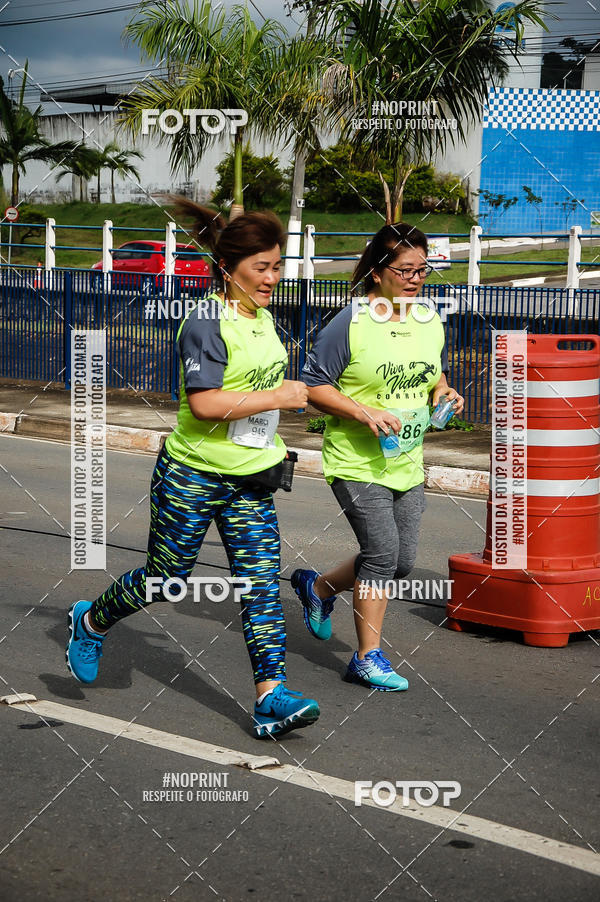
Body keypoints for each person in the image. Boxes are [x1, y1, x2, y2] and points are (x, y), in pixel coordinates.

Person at [66, 201, 319, 739]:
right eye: (262, 268)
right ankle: (90, 621)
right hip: (193, 475)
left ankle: (270, 697)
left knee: (260, 587)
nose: (274, 278)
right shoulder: (205, 320)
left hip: (251, 477)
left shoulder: (264, 318)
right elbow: (205, 404)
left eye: (277, 267)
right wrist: (277, 394)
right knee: (167, 580)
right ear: (229, 269)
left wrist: (292, 401)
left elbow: (258, 395)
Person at [291, 222, 464, 691]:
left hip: (407, 459)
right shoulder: (351, 321)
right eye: (405, 269)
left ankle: (319, 587)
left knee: (401, 561)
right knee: (383, 553)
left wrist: (445, 392)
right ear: (377, 271)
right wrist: (362, 411)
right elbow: (312, 387)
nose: (415, 278)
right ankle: (367, 657)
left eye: (423, 270)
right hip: (354, 460)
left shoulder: (428, 320)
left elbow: (434, 375)